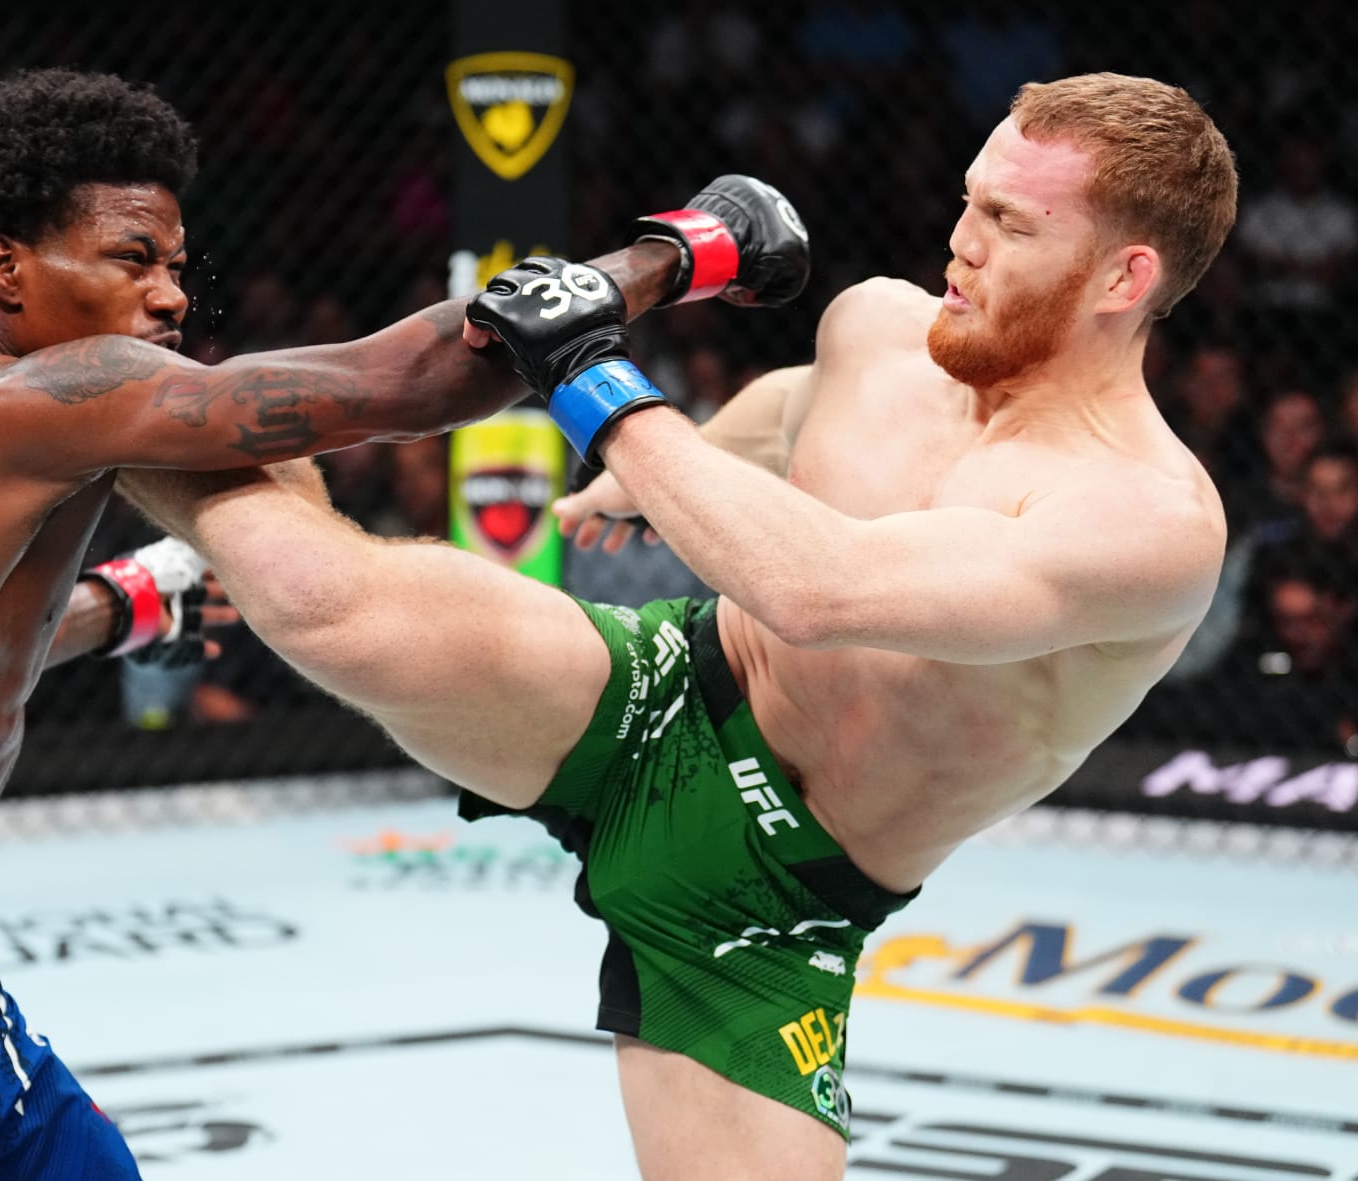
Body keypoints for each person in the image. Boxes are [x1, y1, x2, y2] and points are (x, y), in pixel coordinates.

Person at [102, 72, 1230, 1179]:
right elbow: (797, 407)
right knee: (318, 602)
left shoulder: (1143, 520)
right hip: (664, 691)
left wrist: (595, 381)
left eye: (1008, 223)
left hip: (776, 895)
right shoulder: (886, 326)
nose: (963, 240)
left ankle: (72, 402)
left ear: (1123, 276)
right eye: (971, 198)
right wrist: (649, 476)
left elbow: (823, 590)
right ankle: (71, 376)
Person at [0, 66, 717, 1180]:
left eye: (172, 263)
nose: (169, 295)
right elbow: (407, 379)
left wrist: (118, 608)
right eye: (130, 259)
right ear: (6, 266)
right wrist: (681, 252)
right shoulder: (9, 405)